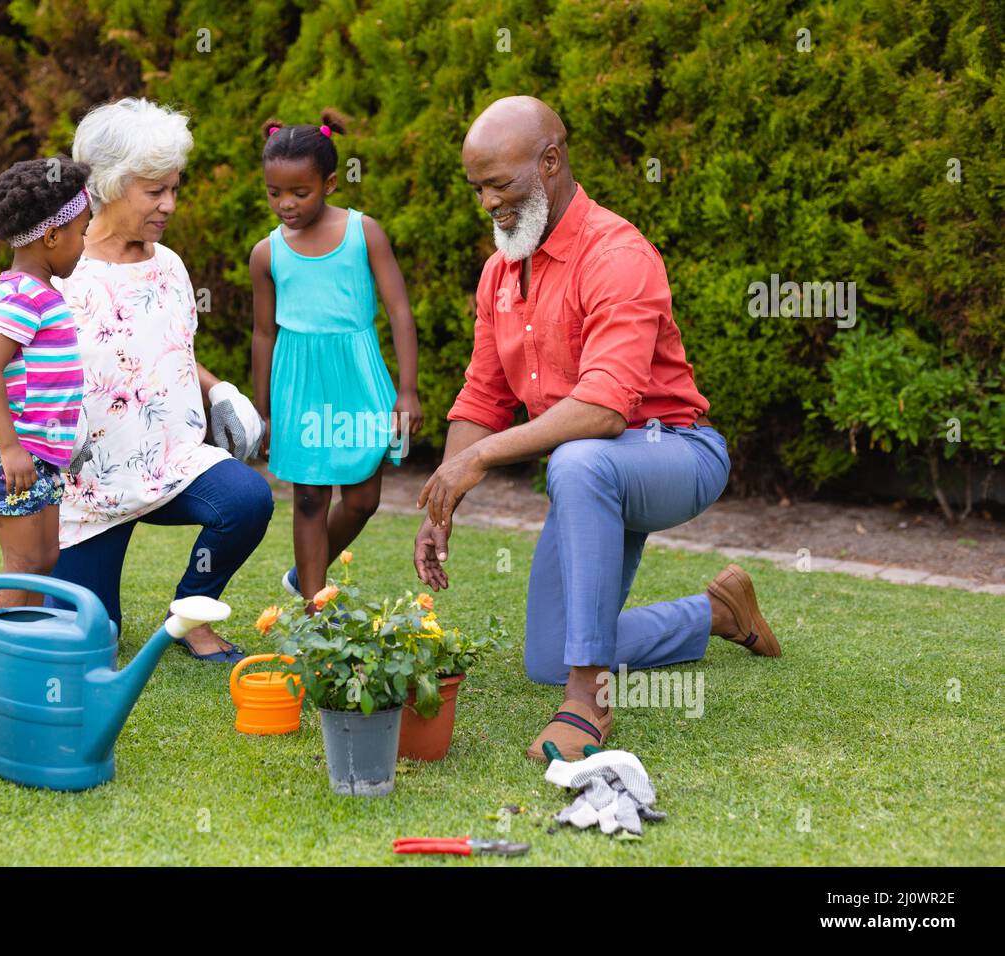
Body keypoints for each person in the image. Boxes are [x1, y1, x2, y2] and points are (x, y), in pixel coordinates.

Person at [412, 96, 782, 761]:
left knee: (579, 458)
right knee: (547, 654)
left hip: (676, 453)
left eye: (500, 184)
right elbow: (481, 397)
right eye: (477, 188)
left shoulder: (617, 253)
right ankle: (717, 614)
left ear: (550, 161)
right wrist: (445, 501)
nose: (488, 202)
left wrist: (481, 461)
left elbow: (605, 409)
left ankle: (587, 701)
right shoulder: (500, 273)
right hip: (594, 472)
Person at [46, 97, 273, 662]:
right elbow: (16, 370)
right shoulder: (60, 274)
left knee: (247, 499)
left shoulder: (168, 264)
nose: (169, 203)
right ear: (108, 185)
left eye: (175, 187)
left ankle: (192, 614)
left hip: (169, 460)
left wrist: (218, 389)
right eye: (155, 191)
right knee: (96, 639)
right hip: (89, 485)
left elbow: (164, 353)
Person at [249, 110, 422, 608]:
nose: (285, 204)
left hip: (358, 377)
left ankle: (308, 569)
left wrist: (407, 391)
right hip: (299, 381)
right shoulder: (267, 254)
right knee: (308, 498)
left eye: (299, 193)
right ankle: (312, 608)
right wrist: (262, 408)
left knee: (363, 499)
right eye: (273, 192)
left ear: (328, 183)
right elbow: (263, 334)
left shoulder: (364, 233)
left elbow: (399, 311)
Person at [0, 156, 91, 610]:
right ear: (53, 236)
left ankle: (28, 649)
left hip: (40, 448)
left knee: (44, 556)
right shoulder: (23, 294)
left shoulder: (44, 292)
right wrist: (10, 447)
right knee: (22, 559)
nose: (85, 243)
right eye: (82, 232)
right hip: (10, 449)